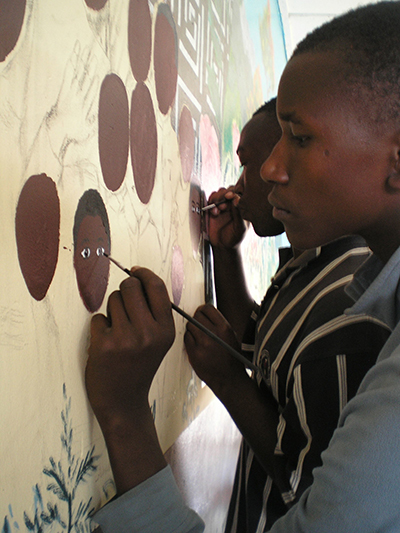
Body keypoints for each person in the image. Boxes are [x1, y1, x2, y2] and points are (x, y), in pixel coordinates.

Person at [85, 2, 400, 531]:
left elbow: (299, 479)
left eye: (298, 138)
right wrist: (226, 257)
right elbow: (266, 349)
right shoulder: (323, 272)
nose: (271, 169)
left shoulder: (351, 321)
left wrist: (124, 414)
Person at [189, 98, 389, 532]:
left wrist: (225, 379)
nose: (246, 182)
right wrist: (225, 253)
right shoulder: (310, 266)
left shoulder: (345, 310)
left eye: (250, 163)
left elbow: (303, 488)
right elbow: (260, 352)